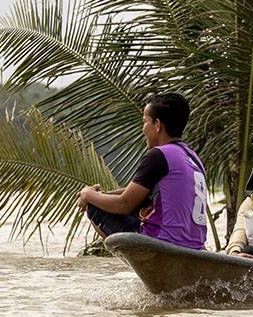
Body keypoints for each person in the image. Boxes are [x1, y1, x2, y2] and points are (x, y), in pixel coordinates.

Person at [77, 93, 207, 250]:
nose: (142, 128)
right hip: (195, 245)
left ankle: (141, 263)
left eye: (145, 122)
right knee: (117, 201)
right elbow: (141, 192)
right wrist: (102, 194)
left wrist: (88, 195)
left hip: (163, 241)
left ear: (157, 125)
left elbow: (124, 204)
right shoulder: (192, 157)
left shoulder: (159, 155)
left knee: (95, 206)